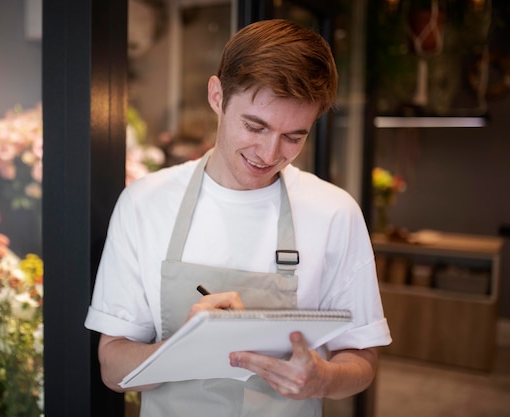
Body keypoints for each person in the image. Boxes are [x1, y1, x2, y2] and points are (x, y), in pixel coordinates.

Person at [85, 18, 391, 416]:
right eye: (254, 126)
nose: (268, 153)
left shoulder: (334, 212)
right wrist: (184, 347)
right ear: (217, 96)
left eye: (294, 137)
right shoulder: (145, 203)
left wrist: (324, 379)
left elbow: (362, 360)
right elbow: (112, 367)